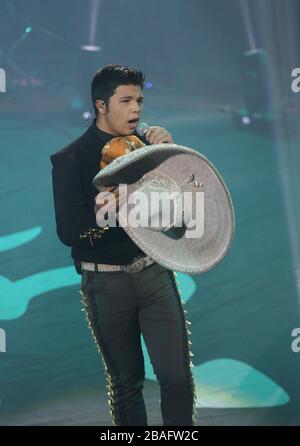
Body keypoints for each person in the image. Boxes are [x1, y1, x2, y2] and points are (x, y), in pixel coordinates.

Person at [50, 64, 197, 426]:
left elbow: (180, 223)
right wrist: (103, 209)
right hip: (105, 284)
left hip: (154, 275)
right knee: (126, 383)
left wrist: (171, 160)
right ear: (101, 105)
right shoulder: (70, 159)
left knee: (176, 378)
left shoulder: (150, 148)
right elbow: (67, 232)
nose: (136, 110)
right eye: (126, 100)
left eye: (140, 101)